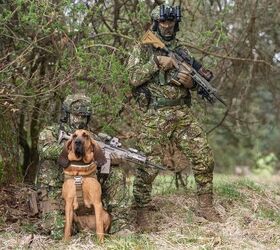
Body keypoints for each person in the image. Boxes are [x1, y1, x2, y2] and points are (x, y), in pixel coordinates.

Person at [127, 4, 222, 231]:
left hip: (182, 113)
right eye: (163, 22)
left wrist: (189, 83)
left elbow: (192, 79)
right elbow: (132, 78)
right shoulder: (144, 46)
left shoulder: (182, 50)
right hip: (156, 114)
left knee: (204, 157)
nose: (167, 26)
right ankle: (140, 213)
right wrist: (157, 63)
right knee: (147, 165)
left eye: (171, 22)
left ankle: (205, 206)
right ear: (156, 23)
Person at [34, 93, 128, 239]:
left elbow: (102, 160)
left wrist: (110, 156)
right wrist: (73, 147)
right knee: (59, 233)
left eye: (84, 116)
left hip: (86, 188)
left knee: (117, 172)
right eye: (77, 115)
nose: (81, 120)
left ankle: (120, 224)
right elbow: (44, 150)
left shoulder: (91, 136)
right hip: (56, 189)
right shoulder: (50, 132)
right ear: (67, 114)